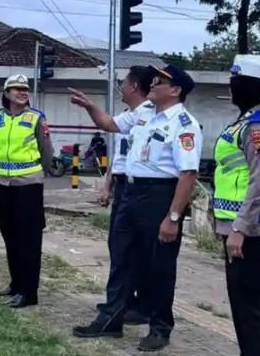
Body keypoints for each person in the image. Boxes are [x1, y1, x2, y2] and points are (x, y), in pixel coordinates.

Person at [70, 64, 202, 352]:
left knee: (159, 265)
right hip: (131, 191)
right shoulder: (144, 114)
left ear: (176, 90)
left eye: (161, 80)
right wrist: (90, 106)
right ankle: (110, 320)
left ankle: (159, 327)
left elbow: (188, 174)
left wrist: (173, 217)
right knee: (121, 259)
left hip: (159, 196)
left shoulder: (184, 124)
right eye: (153, 78)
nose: (152, 83)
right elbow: (109, 125)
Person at [213, 55, 260, 356]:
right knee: (253, 304)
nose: (230, 89)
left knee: (250, 309)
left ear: (247, 87)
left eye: (234, 83)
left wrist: (239, 230)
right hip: (245, 228)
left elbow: (258, 184)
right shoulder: (249, 120)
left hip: (252, 231)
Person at [95, 65, 154, 326]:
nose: (120, 88)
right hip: (122, 184)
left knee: (135, 250)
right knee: (119, 248)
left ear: (134, 87)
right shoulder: (130, 117)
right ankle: (122, 301)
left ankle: (140, 304)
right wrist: (107, 185)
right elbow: (121, 157)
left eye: (124, 83)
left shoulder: (149, 117)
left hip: (140, 189)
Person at [0, 74, 54, 308]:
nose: (22, 92)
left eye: (25, 89)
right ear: (6, 93)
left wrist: (38, 175)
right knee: (9, 235)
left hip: (27, 185)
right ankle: (15, 284)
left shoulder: (36, 118)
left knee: (29, 239)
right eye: (16, 89)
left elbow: (46, 150)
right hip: (1, 183)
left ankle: (28, 292)